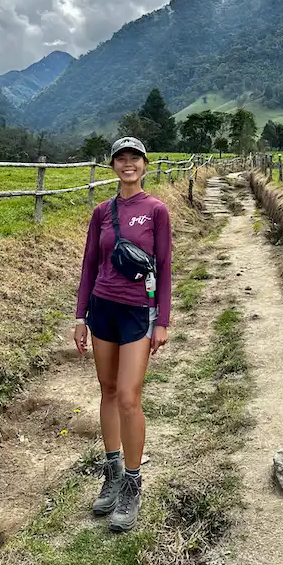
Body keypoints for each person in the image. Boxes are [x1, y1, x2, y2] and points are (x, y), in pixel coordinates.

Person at [74, 136, 171, 532]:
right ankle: (112, 472)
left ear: (145, 165)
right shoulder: (102, 211)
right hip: (102, 309)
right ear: (112, 166)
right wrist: (81, 316)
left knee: (130, 397)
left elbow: (163, 268)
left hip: (137, 313)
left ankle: (133, 483)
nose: (127, 164)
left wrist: (162, 319)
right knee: (108, 391)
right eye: (121, 158)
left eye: (135, 158)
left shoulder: (157, 211)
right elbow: (88, 266)